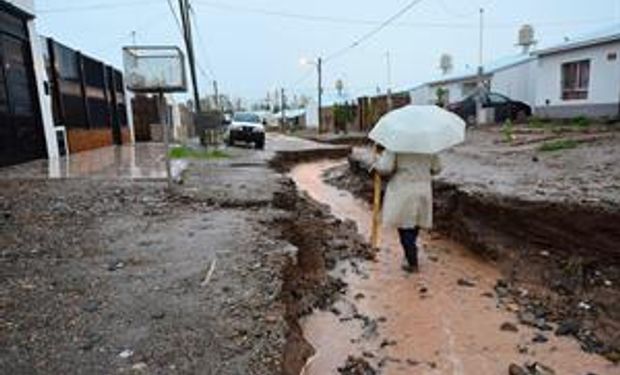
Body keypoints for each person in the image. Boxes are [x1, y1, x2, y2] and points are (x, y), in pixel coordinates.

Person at [373, 147, 442, 273]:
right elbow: (437, 168)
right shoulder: (429, 146)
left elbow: (385, 168)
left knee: (404, 225)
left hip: (403, 189)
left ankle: (412, 260)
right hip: (423, 188)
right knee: (415, 221)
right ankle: (411, 251)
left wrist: (377, 160)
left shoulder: (396, 145)